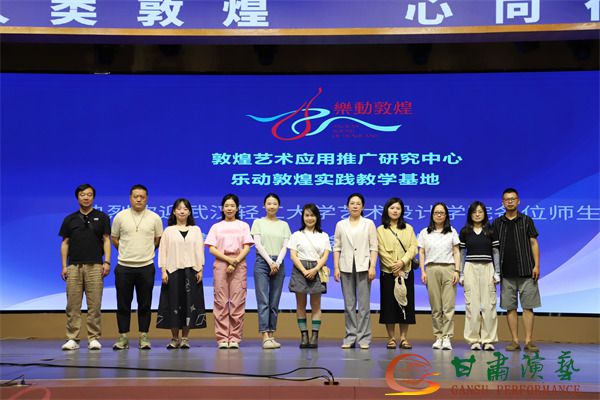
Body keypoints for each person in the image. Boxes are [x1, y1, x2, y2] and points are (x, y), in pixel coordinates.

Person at [59, 184, 111, 351]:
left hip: (95, 266)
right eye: (82, 194)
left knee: (94, 305)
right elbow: (65, 243)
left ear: (93, 197)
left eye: (89, 194)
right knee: (72, 305)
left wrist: (107, 262)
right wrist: (64, 266)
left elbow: (106, 240)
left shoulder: (102, 217)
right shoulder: (70, 219)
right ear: (78, 197)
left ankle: (93, 338)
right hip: (74, 266)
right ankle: (72, 338)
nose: (86, 197)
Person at [111, 184, 163, 350]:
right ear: (130, 198)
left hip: (146, 267)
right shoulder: (120, 216)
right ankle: (123, 337)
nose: (139, 199)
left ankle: (144, 337)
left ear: (147, 199)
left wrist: (146, 252)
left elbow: (157, 240)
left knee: (145, 304)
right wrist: (126, 251)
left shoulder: (155, 218)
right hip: (124, 267)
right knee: (123, 304)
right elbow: (114, 238)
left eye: (142, 197)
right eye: (135, 196)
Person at [492, 188, 541, 352]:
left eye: (513, 199)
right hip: (506, 273)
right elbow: (494, 249)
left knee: (528, 307)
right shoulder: (497, 223)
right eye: (507, 199)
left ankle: (528, 341)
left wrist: (537, 265)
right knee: (510, 308)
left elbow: (534, 243)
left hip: (527, 271)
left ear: (518, 201)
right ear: (503, 203)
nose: (510, 201)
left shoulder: (526, 220)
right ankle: (514, 341)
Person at [156, 198, 207, 349]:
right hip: (173, 271)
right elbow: (163, 251)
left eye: (185, 209)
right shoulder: (168, 231)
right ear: (174, 211)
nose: (182, 211)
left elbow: (200, 250)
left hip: (191, 272)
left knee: (189, 305)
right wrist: (163, 271)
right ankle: (174, 338)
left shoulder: (196, 230)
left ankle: (185, 338)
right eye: (179, 209)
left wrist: (200, 269)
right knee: (173, 304)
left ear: (189, 212)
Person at [205, 194, 254, 349]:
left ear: (237, 208)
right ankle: (222, 338)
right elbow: (212, 248)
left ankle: (234, 338)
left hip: (239, 263)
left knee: (237, 302)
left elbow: (247, 247)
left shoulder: (243, 225)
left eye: (232, 206)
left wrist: (235, 261)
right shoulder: (216, 227)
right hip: (221, 263)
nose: (229, 208)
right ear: (222, 208)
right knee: (220, 301)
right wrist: (228, 260)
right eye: (226, 206)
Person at [333, 193, 378, 350]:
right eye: (352, 203)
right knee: (349, 304)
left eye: (358, 203)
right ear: (347, 206)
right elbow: (337, 247)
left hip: (364, 266)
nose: (355, 206)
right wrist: (336, 267)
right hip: (345, 266)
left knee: (364, 305)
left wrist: (372, 266)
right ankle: (350, 337)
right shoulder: (341, 224)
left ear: (363, 206)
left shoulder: (369, 224)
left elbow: (374, 247)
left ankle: (364, 338)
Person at [377, 197, 418, 350]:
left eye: (398, 208)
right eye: (392, 208)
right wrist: (394, 267)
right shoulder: (380, 230)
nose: (395, 211)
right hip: (388, 273)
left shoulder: (409, 228)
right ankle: (391, 338)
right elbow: (380, 250)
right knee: (389, 306)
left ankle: (404, 338)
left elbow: (413, 248)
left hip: (405, 272)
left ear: (402, 211)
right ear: (387, 210)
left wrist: (402, 262)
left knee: (405, 305)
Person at [251, 193, 291, 349]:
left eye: (274, 203)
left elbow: (285, 246)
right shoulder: (258, 222)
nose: (272, 206)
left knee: (274, 301)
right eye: (269, 203)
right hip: (263, 262)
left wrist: (277, 262)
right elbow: (258, 244)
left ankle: (272, 334)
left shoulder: (284, 225)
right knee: (263, 300)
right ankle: (265, 336)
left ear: (278, 206)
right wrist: (270, 262)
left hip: (278, 263)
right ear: (264, 206)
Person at [459, 201, 500, 351]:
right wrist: (461, 273)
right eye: (474, 212)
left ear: (484, 214)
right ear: (470, 214)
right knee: (472, 306)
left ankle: (488, 340)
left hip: (488, 268)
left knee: (489, 306)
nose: (477, 214)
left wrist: (497, 272)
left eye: (480, 212)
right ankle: (474, 340)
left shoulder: (491, 231)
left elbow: (495, 252)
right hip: (470, 268)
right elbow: (462, 254)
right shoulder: (465, 231)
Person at [418, 202, 460, 350]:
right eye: (436, 213)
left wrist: (457, 271)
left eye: (442, 213)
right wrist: (423, 271)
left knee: (448, 306)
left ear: (446, 215)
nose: (439, 215)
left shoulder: (452, 231)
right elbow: (421, 253)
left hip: (449, 268)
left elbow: (456, 252)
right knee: (436, 306)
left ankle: (447, 337)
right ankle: (438, 336)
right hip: (431, 269)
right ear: (432, 215)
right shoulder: (425, 232)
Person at [288, 204, 331, 349]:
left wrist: (315, 269)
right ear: (303, 217)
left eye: (312, 215)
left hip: (317, 269)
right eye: (307, 215)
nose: (310, 218)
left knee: (316, 305)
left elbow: (325, 255)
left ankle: (314, 337)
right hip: (300, 269)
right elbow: (293, 255)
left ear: (317, 217)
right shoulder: (296, 235)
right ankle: (304, 336)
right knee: (300, 305)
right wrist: (304, 270)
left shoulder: (323, 235)